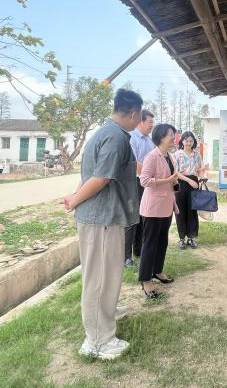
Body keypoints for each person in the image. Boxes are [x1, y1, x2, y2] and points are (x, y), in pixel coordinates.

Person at [64, 88, 143, 360]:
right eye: (140, 116)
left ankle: (106, 314)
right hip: (102, 218)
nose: (140, 121)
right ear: (133, 113)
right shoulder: (116, 137)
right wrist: (74, 201)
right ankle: (98, 341)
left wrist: (75, 196)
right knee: (99, 279)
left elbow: (90, 175)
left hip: (103, 217)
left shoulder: (104, 132)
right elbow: (100, 178)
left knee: (106, 275)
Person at [138, 123, 183, 298]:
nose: (174, 137)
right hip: (153, 208)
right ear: (161, 137)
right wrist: (167, 180)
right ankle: (145, 280)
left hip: (166, 206)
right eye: (171, 134)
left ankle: (157, 271)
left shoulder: (170, 156)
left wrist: (174, 182)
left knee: (162, 241)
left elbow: (171, 178)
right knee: (150, 244)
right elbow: (144, 181)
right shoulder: (151, 156)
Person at [125, 110, 155, 267]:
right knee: (132, 219)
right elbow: (135, 163)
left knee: (144, 216)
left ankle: (139, 250)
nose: (152, 125)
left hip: (146, 183)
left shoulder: (149, 141)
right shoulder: (132, 138)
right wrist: (152, 174)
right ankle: (126, 257)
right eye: (150, 122)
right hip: (134, 182)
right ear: (141, 122)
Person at [174, 131, 205, 250]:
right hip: (181, 183)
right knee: (180, 211)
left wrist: (201, 180)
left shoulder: (197, 154)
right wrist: (189, 180)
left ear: (194, 142)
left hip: (194, 184)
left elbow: (200, 170)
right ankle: (181, 238)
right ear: (182, 141)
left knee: (192, 211)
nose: (189, 143)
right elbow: (176, 173)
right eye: (186, 140)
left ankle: (191, 238)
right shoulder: (177, 154)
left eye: (191, 141)